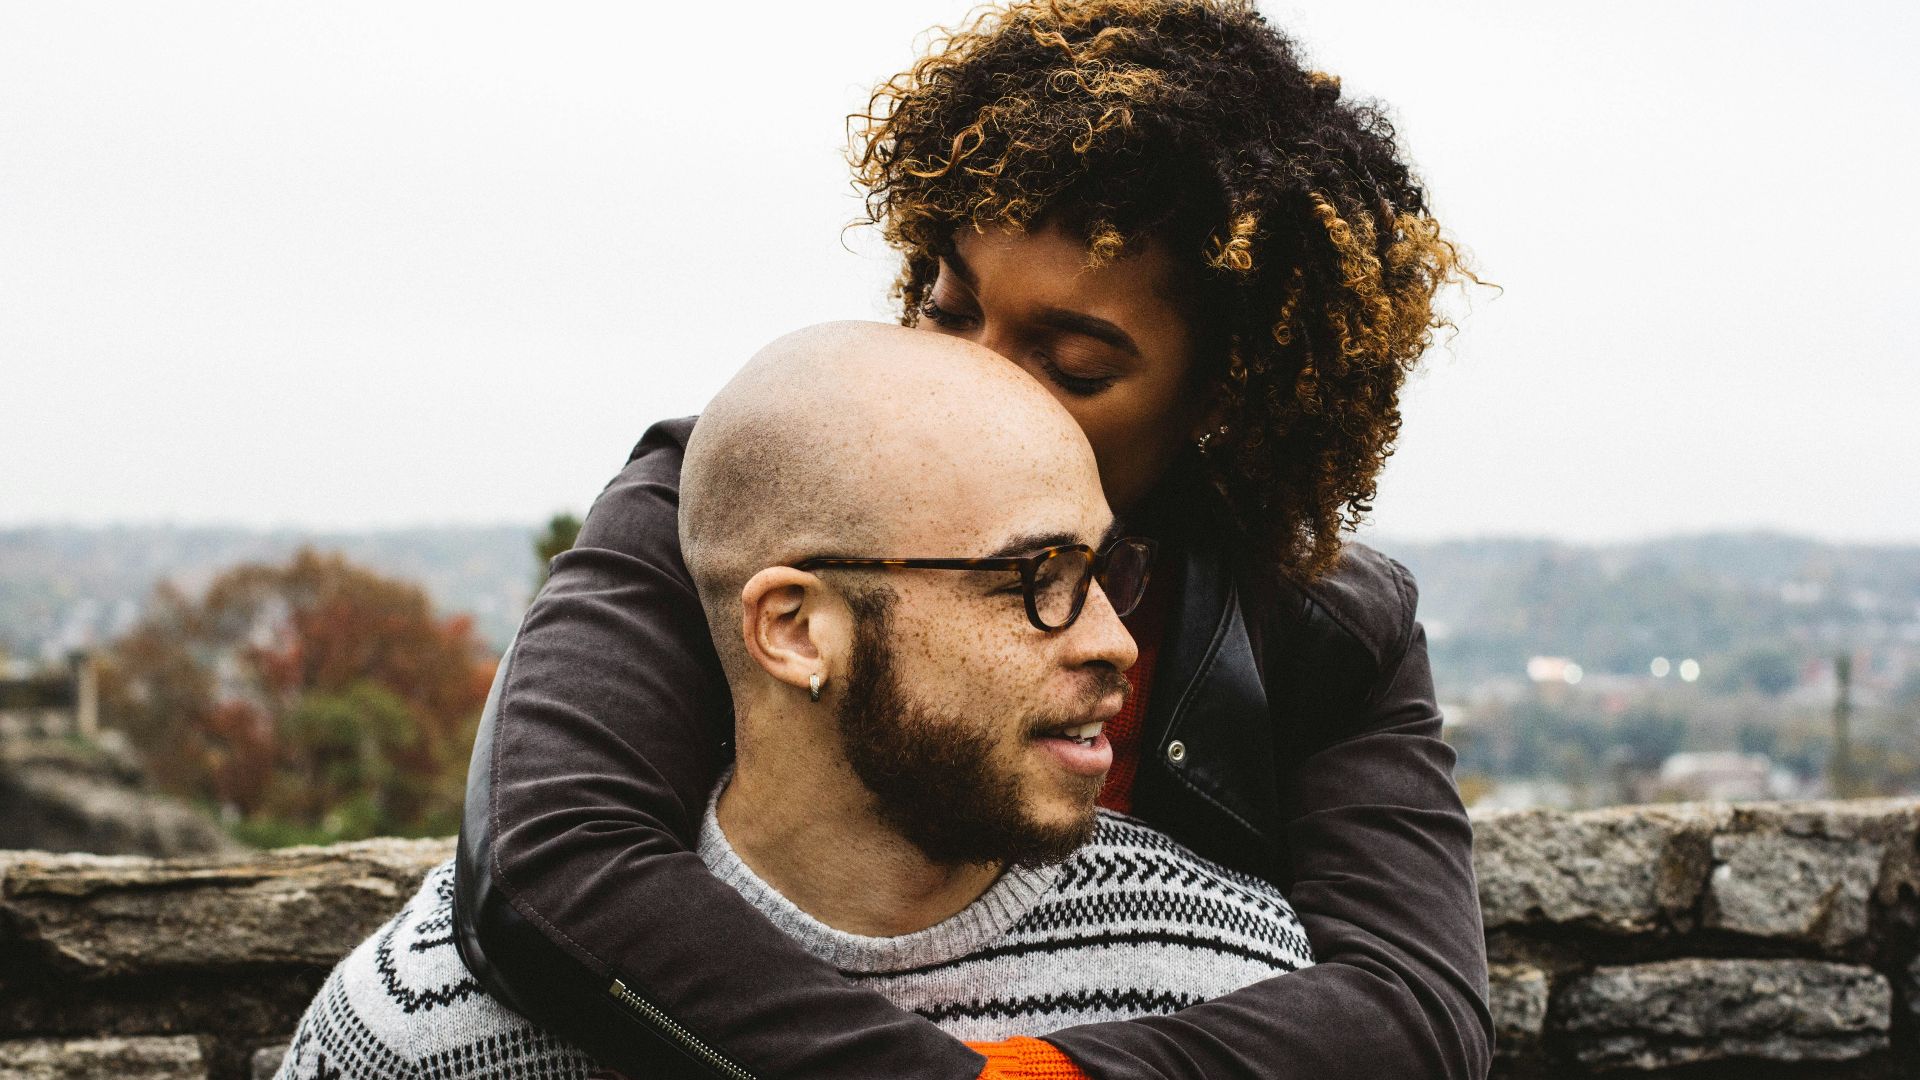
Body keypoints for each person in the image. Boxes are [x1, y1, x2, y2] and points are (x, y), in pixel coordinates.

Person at [455, 2, 1492, 1079]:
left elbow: (1414, 1012)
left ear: (1221, 399)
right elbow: (548, 868)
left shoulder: (1328, 630)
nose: (977, 375)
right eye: (950, 311)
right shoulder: (728, 500)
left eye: (1073, 364)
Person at [277, 324, 1315, 1080]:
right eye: (1033, 577)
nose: (1113, 641)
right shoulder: (429, 1030)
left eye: (1103, 569)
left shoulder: (1233, 981)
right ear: (795, 629)